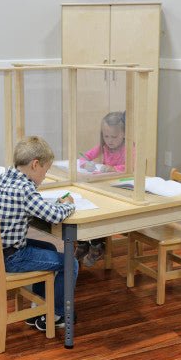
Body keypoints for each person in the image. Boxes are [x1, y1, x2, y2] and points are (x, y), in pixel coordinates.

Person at [0, 136, 76, 331]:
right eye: (46, 170)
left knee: (50, 247)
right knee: (70, 262)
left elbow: (36, 206)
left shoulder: (6, 177)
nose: (45, 175)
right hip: (10, 258)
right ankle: (57, 314)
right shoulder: (25, 189)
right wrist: (69, 205)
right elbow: (53, 216)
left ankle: (40, 306)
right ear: (35, 165)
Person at [77, 111, 126, 265]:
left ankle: (97, 246)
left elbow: (131, 167)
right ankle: (83, 242)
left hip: (121, 191)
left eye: (114, 137)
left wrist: (114, 168)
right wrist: (86, 163)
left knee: (100, 211)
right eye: (106, 136)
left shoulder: (129, 148)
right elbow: (83, 157)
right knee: (87, 206)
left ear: (124, 134)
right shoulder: (103, 146)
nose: (109, 141)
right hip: (105, 188)